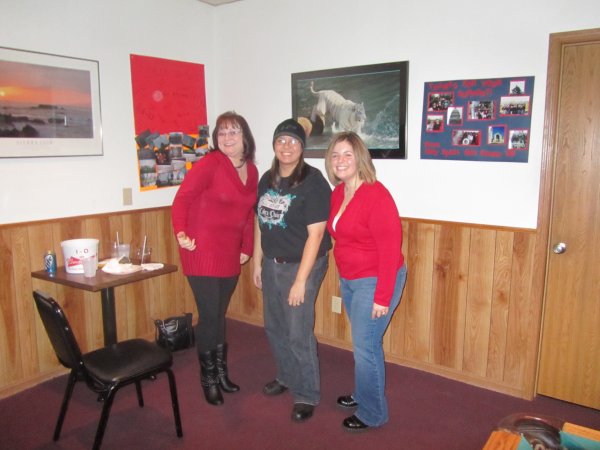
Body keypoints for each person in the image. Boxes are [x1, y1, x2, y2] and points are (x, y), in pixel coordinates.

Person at [171, 111, 258, 406]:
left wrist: (247, 245)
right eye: (222, 132)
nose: (227, 137)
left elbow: (247, 212)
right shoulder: (210, 164)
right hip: (201, 251)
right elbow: (182, 199)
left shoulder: (252, 171)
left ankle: (221, 372)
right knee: (209, 316)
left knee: (220, 314)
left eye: (233, 132)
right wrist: (181, 232)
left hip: (230, 252)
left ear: (245, 137)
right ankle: (208, 379)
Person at [324, 131, 407, 432]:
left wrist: (382, 297)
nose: (340, 160)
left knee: (366, 346)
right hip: (351, 279)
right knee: (362, 345)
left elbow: (390, 251)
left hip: (376, 280)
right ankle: (363, 394)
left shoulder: (376, 195)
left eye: (347, 154)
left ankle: (373, 413)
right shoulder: (339, 193)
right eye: (335, 155)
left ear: (360, 158)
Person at [253, 118, 332, 422]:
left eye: (293, 141)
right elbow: (260, 221)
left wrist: (301, 281)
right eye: (281, 140)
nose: (287, 146)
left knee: (298, 331)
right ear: (274, 144)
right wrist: (258, 261)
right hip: (273, 262)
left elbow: (316, 235)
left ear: (302, 147)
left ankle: (307, 393)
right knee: (274, 326)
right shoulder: (267, 179)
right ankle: (286, 376)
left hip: (304, 264)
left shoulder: (313, 182)